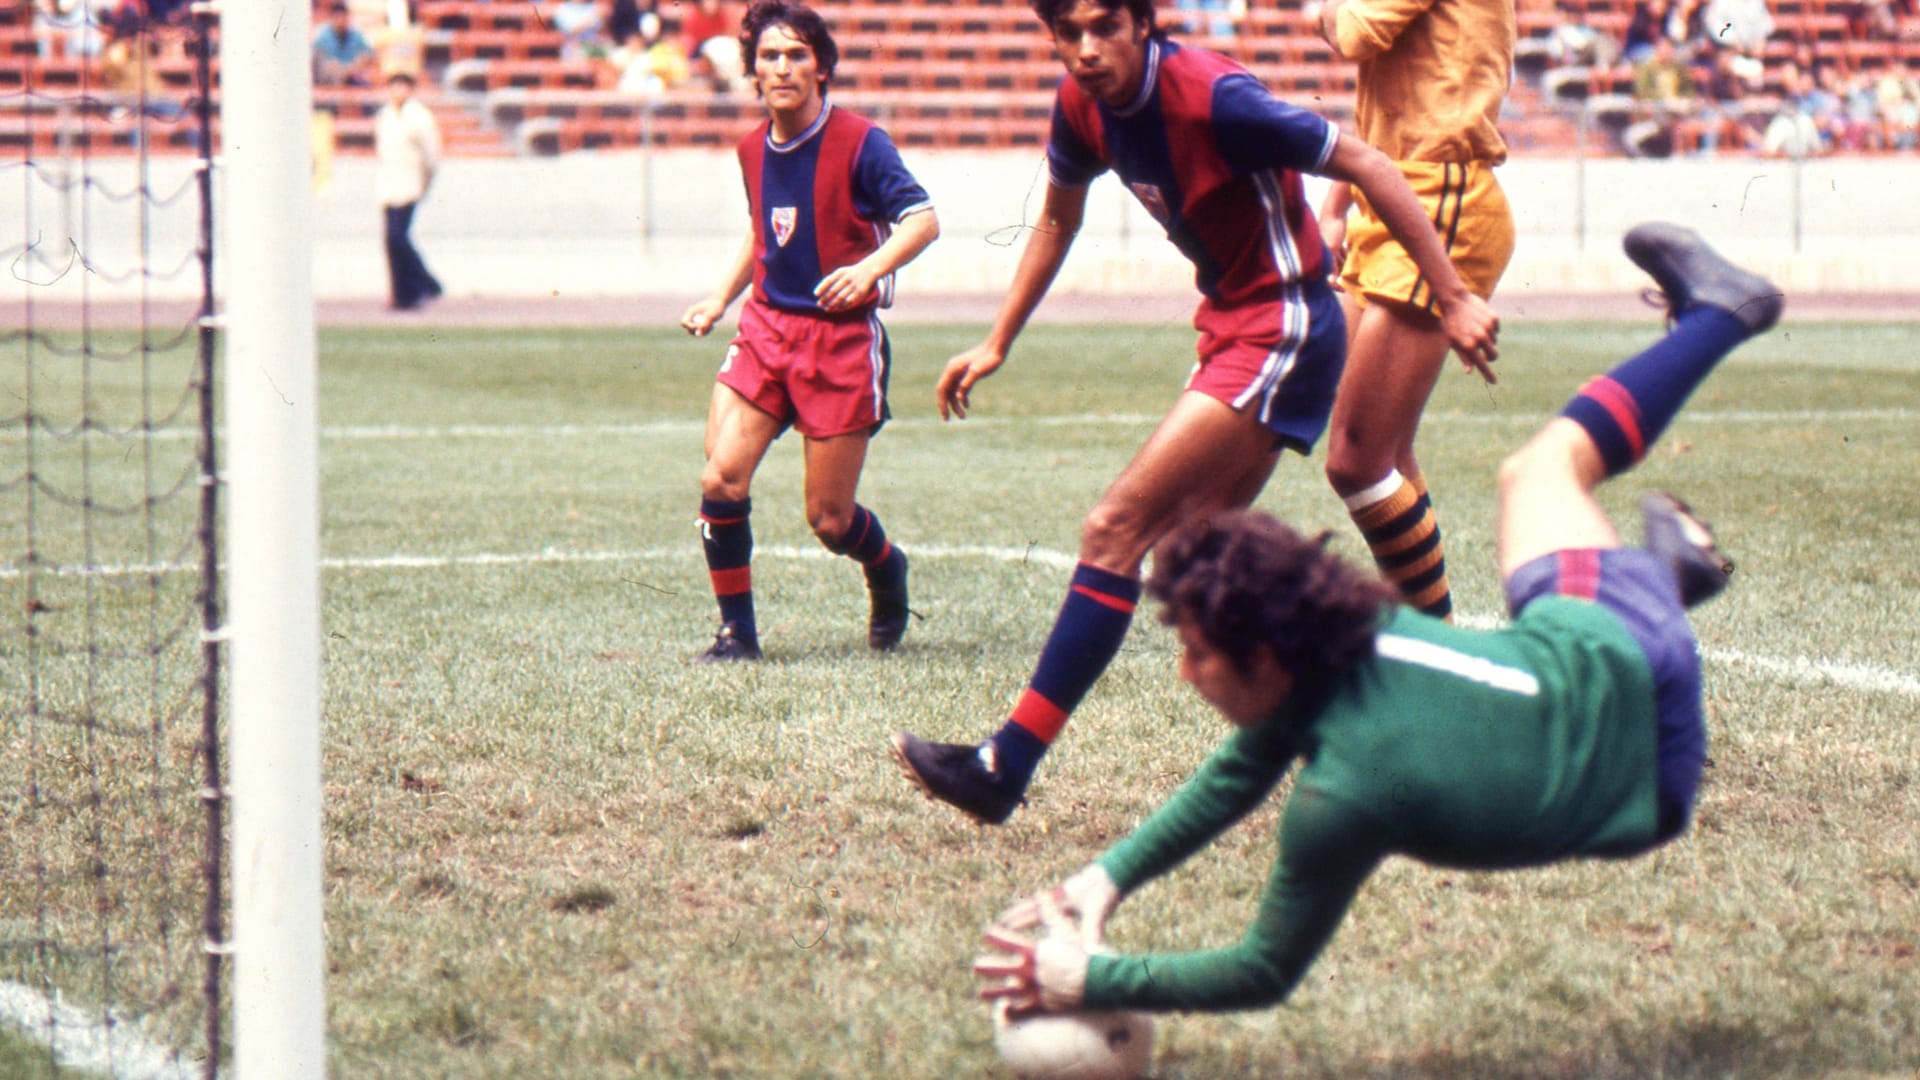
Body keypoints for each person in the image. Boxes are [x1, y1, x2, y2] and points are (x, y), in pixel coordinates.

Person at [970, 224, 1783, 1018]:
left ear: (1265, 656)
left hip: (1648, 774)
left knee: (1539, 472)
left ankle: (1723, 314)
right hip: (1614, 657)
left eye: (1197, 651)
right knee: (1540, 471)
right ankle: (1665, 561)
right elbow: (1239, 770)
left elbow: (1262, 969)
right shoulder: (1352, 639)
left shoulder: (1340, 798)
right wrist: (1097, 883)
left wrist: (1088, 983)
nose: (1184, 671)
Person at [889, 0, 1498, 824]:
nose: (1087, 50)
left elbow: (1367, 162)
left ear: (1142, 23)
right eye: (1068, 34)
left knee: (1114, 528)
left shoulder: (1216, 96)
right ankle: (1388, 724)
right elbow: (1058, 218)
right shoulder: (1080, 103)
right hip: (1235, 324)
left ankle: (1005, 764)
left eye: (1104, 26)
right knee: (1195, 565)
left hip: (1284, 325)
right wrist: (997, 340)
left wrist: (1455, 297)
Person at [679, 0, 940, 662]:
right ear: (753, 72)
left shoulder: (860, 142)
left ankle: (886, 567)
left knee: (829, 520)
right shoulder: (750, 149)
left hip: (841, 343)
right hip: (767, 328)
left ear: (822, 68)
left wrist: (870, 267)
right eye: (770, 56)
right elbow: (762, 227)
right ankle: (737, 633)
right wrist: (719, 298)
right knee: (721, 479)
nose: (783, 67)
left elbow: (922, 220)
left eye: (798, 54)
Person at [1311, 0, 1514, 620]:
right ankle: (1428, 646)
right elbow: (1393, 90)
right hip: (1396, 193)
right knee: (1377, 454)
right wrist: (1336, 202)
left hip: (1437, 201)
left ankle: (1436, 647)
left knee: (1355, 457)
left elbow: (1350, 32)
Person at [375, 71, 443, 311]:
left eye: (402, 87)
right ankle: (402, 293)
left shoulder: (420, 118)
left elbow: (431, 156)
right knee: (391, 242)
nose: (398, 92)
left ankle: (423, 283)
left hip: (409, 184)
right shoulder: (385, 115)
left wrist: (425, 183)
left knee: (398, 237)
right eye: (394, 87)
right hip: (389, 185)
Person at [313, 2, 378, 87]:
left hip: (352, 76)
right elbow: (322, 63)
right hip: (329, 79)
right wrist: (337, 69)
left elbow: (370, 54)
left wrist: (358, 64)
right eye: (337, 17)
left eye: (343, 17)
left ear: (347, 17)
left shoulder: (356, 34)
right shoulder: (323, 36)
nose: (340, 21)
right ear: (331, 18)